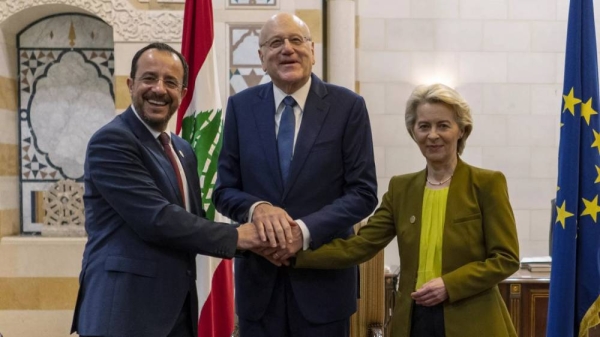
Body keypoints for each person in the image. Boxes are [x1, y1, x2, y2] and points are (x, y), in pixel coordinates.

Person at [292, 83, 520, 337]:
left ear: (461, 131)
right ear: (414, 132)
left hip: (474, 322)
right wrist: (294, 256)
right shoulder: (401, 188)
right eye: (424, 126)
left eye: (443, 125)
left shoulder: (487, 184)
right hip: (413, 321)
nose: (432, 135)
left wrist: (449, 285)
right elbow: (359, 246)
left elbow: (505, 259)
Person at [70, 42, 265, 337]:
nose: (159, 89)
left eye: (171, 82)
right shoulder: (112, 141)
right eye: (149, 78)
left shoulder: (182, 149)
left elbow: (193, 220)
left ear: (183, 93)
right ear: (131, 84)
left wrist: (262, 242)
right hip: (124, 312)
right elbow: (157, 219)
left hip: (176, 311)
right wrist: (239, 237)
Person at [212, 13, 378, 337]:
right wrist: (257, 208)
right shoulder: (240, 108)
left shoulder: (348, 107)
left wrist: (301, 232)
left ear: (312, 51)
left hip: (325, 288)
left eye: (296, 40)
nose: (287, 49)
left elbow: (363, 193)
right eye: (275, 43)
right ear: (261, 58)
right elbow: (224, 191)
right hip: (259, 288)